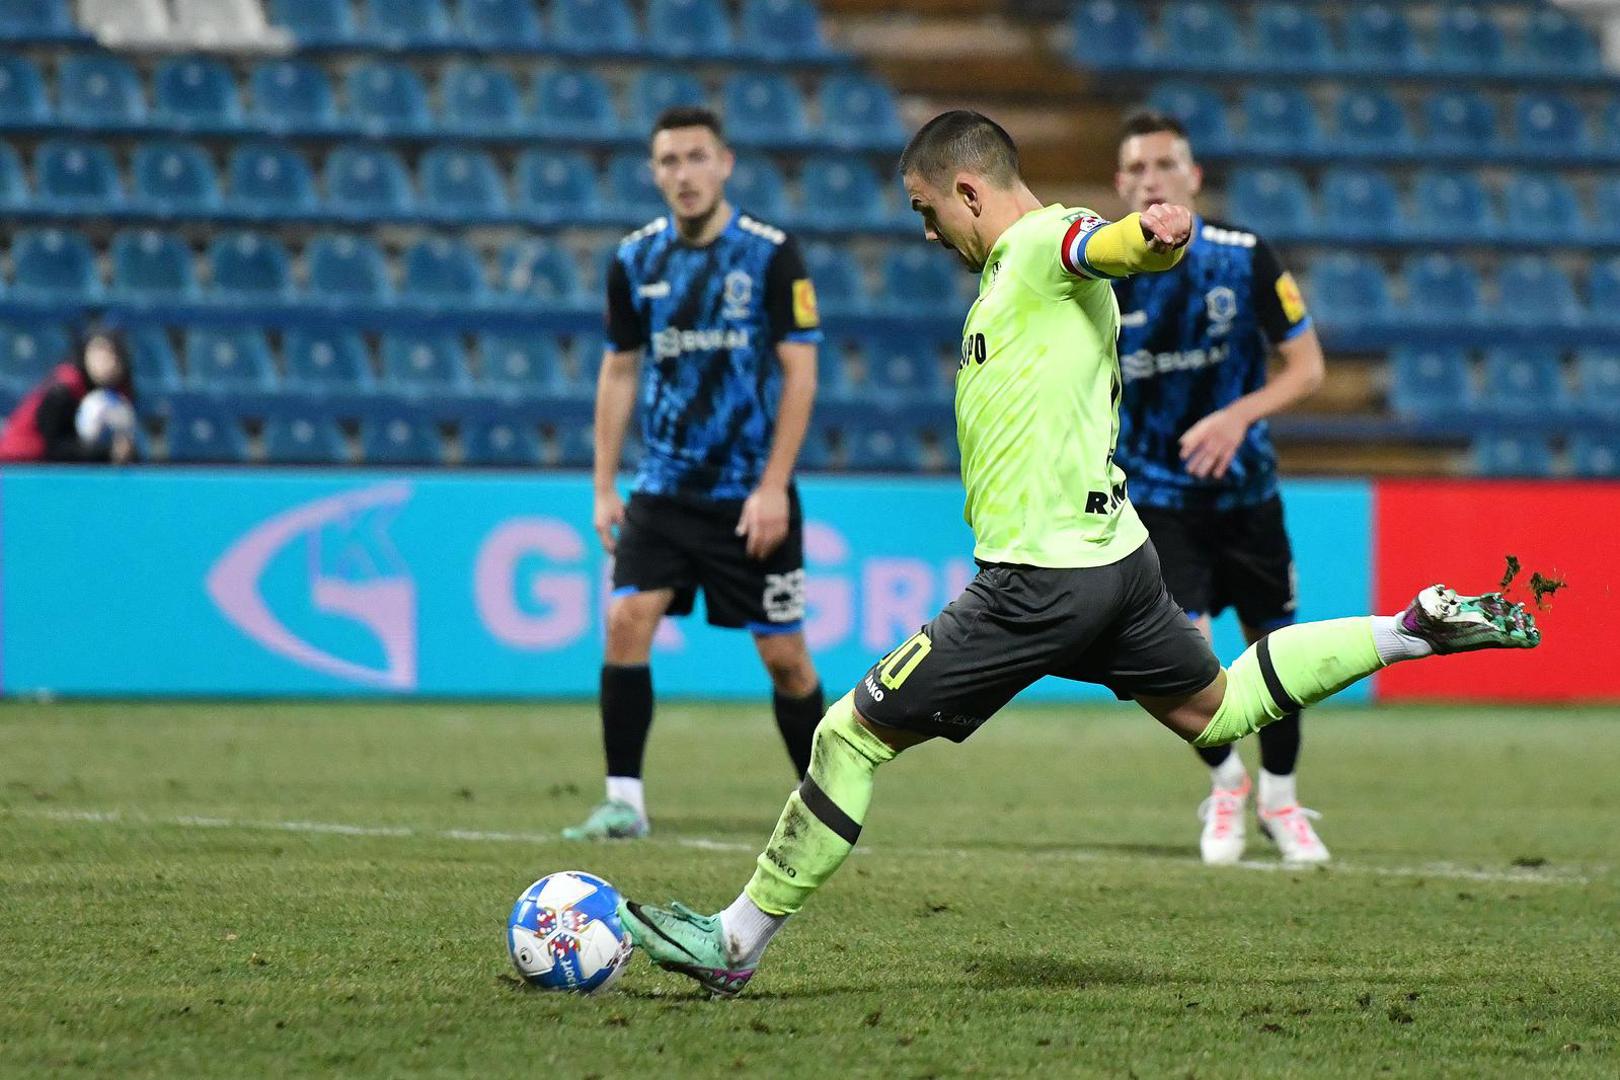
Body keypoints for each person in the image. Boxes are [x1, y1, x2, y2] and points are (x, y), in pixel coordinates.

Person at [612, 111, 1540, 997]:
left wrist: (1157, 233)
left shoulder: (1038, 246)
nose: (928, 233)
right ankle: (1409, 629)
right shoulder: (1012, 277)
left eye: (927, 210)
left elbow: (1103, 245)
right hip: (1119, 564)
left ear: (968, 191)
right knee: (1220, 708)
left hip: (1037, 582)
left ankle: (735, 942)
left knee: (847, 735)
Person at [565, 106, 826, 841]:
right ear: (654, 173)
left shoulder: (771, 254)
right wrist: (604, 485)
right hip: (664, 490)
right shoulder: (634, 260)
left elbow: (801, 373)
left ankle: (824, 805)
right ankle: (624, 802)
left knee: (785, 659)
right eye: (669, 161)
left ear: (725, 163)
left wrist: (773, 486)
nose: (684, 174)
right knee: (625, 620)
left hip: (749, 495)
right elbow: (619, 371)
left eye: (696, 157)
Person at [1112, 111, 1330, 866]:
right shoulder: (1103, 276)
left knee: (1278, 656)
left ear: (1194, 177)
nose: (1151, 179)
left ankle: (1281, 798)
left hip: (1247, 497)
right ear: (1120, 184)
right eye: (1137, 168)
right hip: (1159, 502)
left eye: (1165, 164)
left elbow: (1308, 368)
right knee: (1184, 663)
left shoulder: (1243, 257)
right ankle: (1227, 782)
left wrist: (1237, 416)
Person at [0, 327, 136, 464]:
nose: (107, 362)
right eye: (98, 354)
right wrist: (107, 452)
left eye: (113, 354)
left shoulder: (119, 396)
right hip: (18, 465)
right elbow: (54, 447)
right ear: (84, 354)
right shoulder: (62, 390)